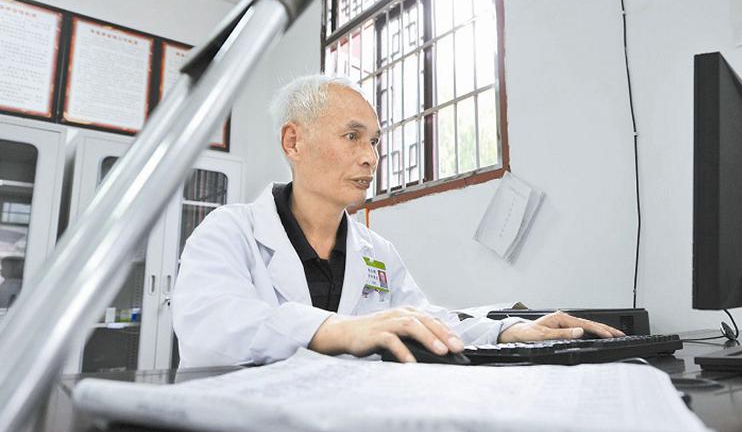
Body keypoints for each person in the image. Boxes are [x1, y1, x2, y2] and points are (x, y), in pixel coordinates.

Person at [172, 75, 623, 367]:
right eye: (352, 136)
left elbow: (425, 320)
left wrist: (509, 330)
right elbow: (210, 329)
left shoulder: (377, 252)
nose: (370, 158)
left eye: (374, 141)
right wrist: (338, 330)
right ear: (294, 142)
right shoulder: (229, 232)